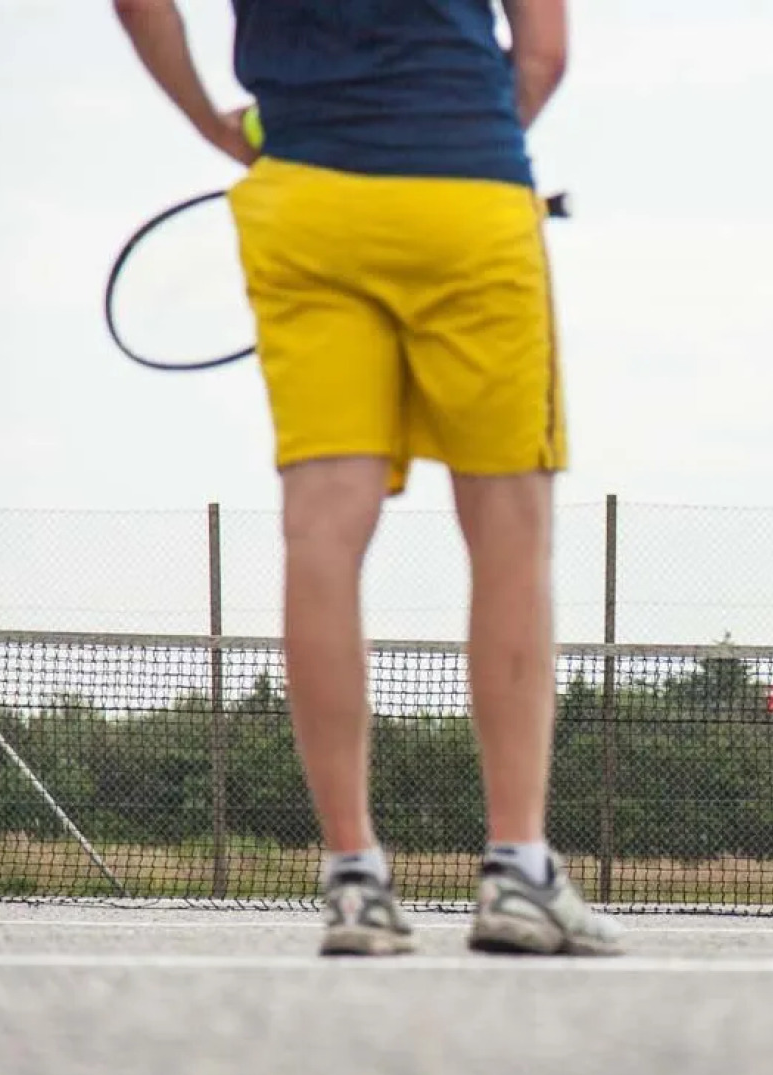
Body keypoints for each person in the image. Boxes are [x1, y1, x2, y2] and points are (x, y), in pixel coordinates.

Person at [113, 0, 622, 957]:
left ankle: (353, 877)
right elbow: (545, 53)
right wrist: (452, 134)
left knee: (320, 530)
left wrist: (205, 119)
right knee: (511, 534)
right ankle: (518, 869)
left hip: (302, 195)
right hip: (465, 190)